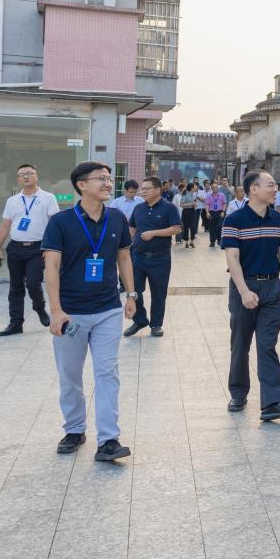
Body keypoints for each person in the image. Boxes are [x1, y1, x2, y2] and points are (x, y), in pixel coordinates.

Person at [43, 161, 137, 462]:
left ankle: (109, 439)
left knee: (107, 372)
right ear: (81, 185)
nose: (108, 184)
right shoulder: (61, 222)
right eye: (101, 179)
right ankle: (74, 429)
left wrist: (131, 294)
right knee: (70, 374)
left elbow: (124, 258)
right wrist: (56, 311)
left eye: (110, 179)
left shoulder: (118, 218)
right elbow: (52, 268)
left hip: (108, 308)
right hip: (71, 313)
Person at [222, 171, 280, 422]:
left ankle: (272, 402)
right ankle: (238, 393)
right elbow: (232, 258)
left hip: (271, 289)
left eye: (275, 185)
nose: (275, 189)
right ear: (253, 189)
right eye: (270, 185)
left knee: (267, 345)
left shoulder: (279, 218)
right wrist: (244, 291)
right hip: (244, 286)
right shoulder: (235, 220)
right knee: (240, 344)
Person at [0, 164, 60, 336]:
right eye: (22, 174)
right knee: (15, 287)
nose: (26, 177)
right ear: (18, 179)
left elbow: (55, 224)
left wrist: (53, 248)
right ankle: (16, 323)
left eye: (29, 173)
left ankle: (40, 309)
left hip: (38, 248)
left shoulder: (48, 198)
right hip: (15, 248)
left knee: (32, 283)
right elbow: (6, 225)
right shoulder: (12, 200)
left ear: (36, 176)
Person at [124, 177, 181, 338]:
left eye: (146, 188)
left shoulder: (169, 208)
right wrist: (131, 242)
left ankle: (156, 325)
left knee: (158, 293)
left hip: (160, 259)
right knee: (134, 291)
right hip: (138, 257)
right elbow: (132, 227)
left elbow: (176, 228)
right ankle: (140, 320)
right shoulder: (138, 208)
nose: (143, 191)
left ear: (157, 190)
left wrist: (154, 233)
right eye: (142, 189)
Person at [205, 182, 228, 246]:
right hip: (211, 212)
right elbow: (207, 204)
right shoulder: (209, 196)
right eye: (213, 187)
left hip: (220, 212)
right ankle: (212, 241)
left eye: (216, 187)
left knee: (220, 226)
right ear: (211, 188)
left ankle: (219, 240)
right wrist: (207, 213)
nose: (215, 189)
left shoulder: (222, 195)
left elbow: (224, 203)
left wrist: (223, 211)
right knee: (212, 227)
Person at [179, 183, 199, 248]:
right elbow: (181, 205)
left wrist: (195, 204)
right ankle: (186, 242)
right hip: (186, 212)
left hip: (193, 211)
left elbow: (195, 202)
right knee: (186, 227)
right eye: (194, 186)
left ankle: (192, 241)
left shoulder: (194, 194)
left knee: (193, 227)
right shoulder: (185, 194)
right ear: (191, 188)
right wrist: (191, 204)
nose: (196, 187)